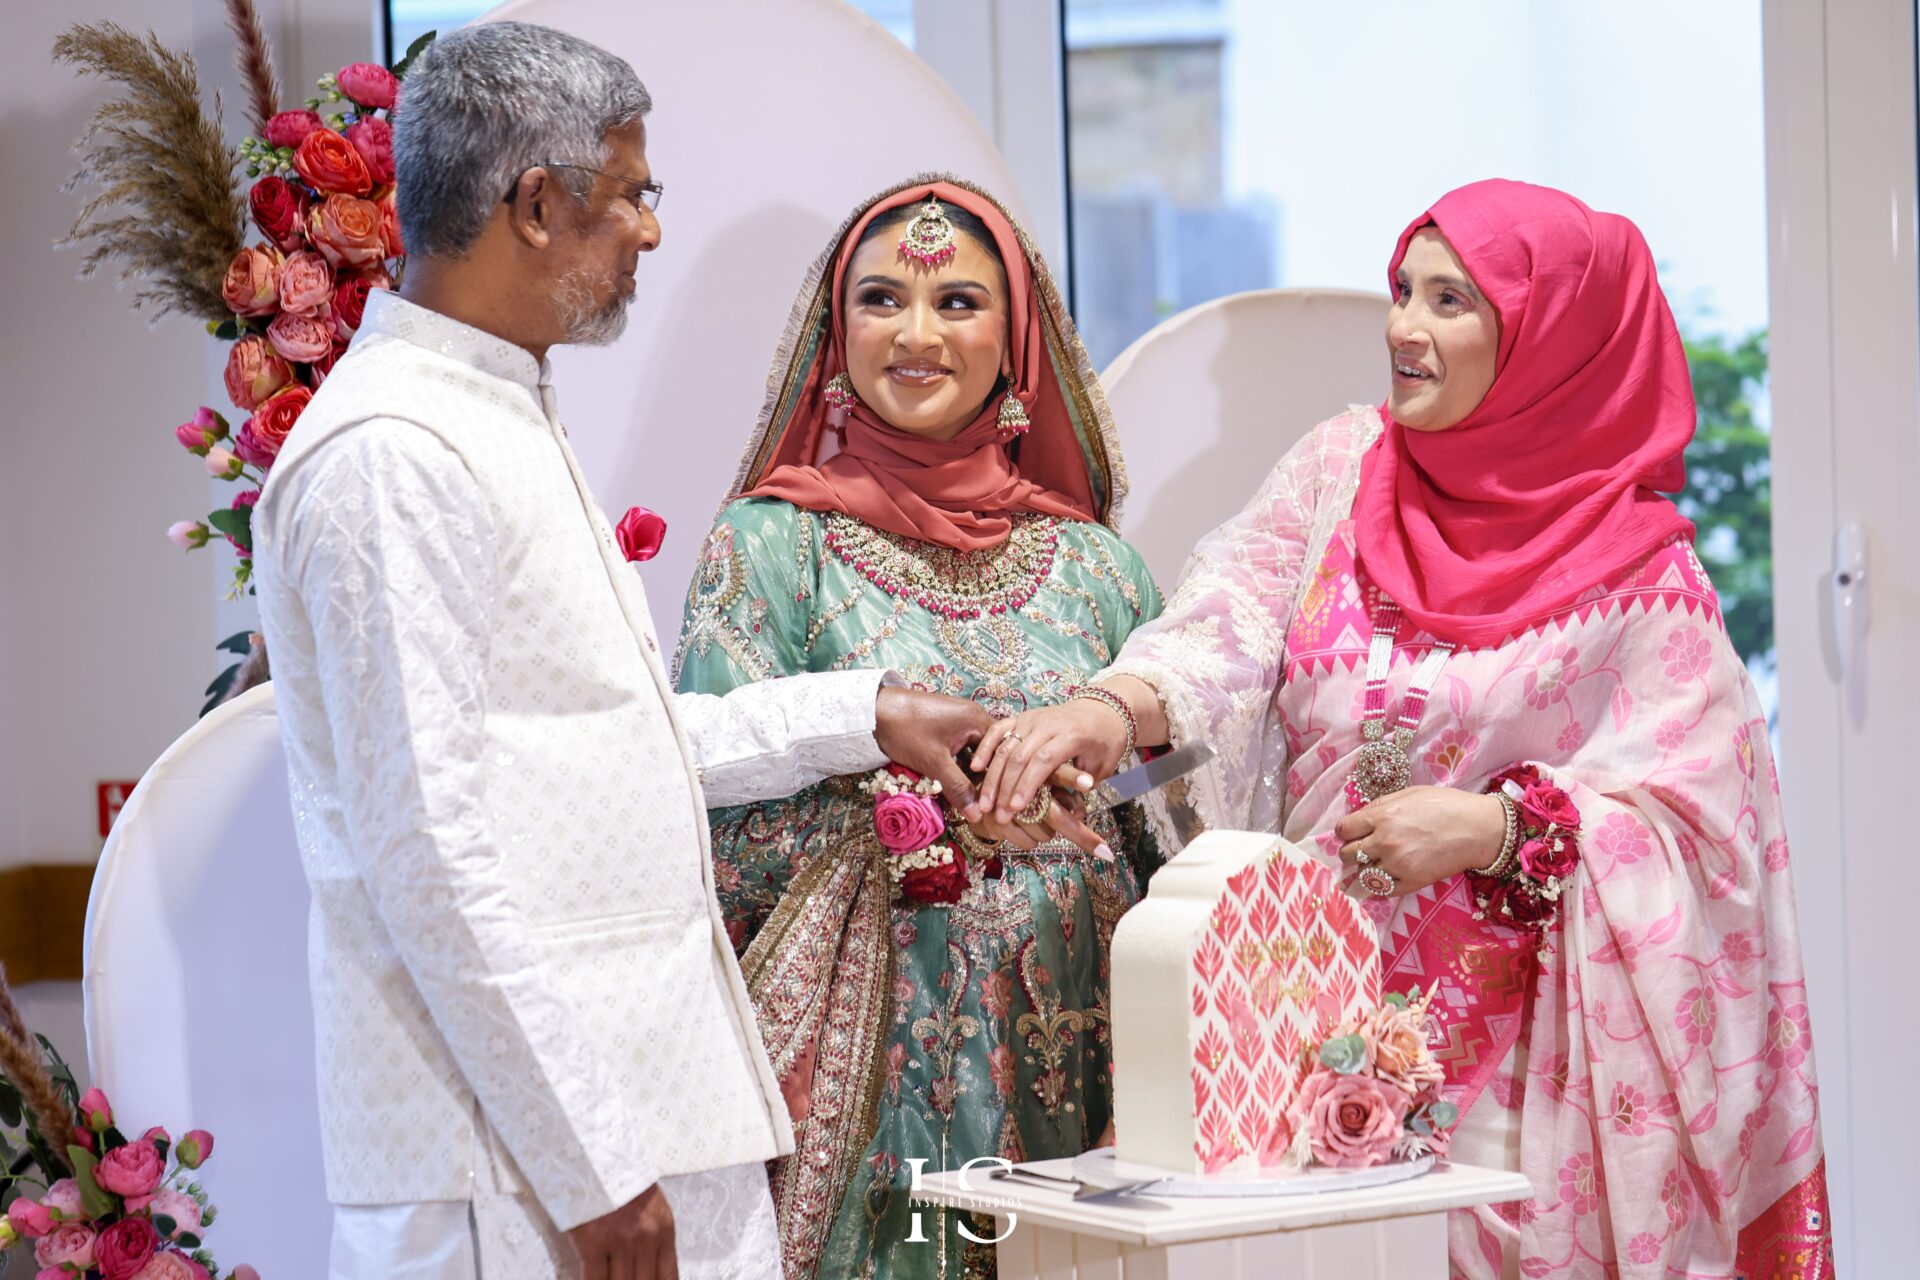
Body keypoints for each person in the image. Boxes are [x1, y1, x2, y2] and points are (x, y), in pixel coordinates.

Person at [969, 179, 1833, 1279]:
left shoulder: (1647, 585)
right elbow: (1223, 622)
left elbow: (1708, 842)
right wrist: (1104, 709)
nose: (1404, 328)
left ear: (1550, 340)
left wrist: (1496, 826)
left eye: (1451, 302)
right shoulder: (1342, 466)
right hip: (1293, 1017)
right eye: (1401, 291)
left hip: (1528, 1088)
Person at [254, 26, 995, 1280]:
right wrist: (591, 1164)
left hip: (625, 1135)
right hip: (520, 1172)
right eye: (635, 193)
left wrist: (867, 713)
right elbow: (424, 845)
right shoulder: (395, 455)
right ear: (537, 204)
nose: (652, 230)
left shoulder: (491, 413)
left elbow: (607, 747)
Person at [673, 177, 1162, 1279]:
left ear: (1017, 340)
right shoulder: (771, 547)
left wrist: (1087, 796)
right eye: (883, 299)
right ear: (836, 334)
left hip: (1092, 1043)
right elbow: (706, 816)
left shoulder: (1099, 568)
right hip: (882, 1077)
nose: (917, 333)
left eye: (959, 304)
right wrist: (923, 821)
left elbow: (1171, 804)